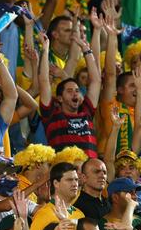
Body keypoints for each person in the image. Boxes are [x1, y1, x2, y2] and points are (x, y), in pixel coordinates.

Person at [38, 26, 102, 158]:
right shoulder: (51, 115)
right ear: (60, 98)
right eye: (69, 91)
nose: (75, 93)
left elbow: (96, 81)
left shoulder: (87, 111)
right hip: (65, 173)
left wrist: (86, 50)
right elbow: (44, 81)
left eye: (77, 91)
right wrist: (45, 48)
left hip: (88, 172)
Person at [29, 162, 84, 230]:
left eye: (76, 180)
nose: (75, 184)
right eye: (69, 180)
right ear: (56, 183)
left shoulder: (80, 214)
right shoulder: (44, 214)